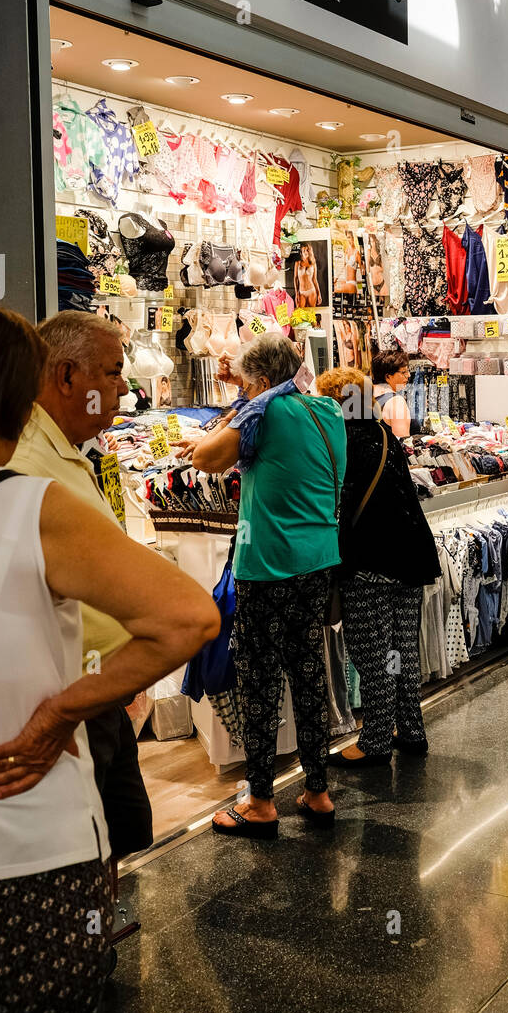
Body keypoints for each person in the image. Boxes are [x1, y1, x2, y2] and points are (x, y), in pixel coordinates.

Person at [0, 295, 219, 1013]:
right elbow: (189, 616)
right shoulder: (27, 506)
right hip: (23, 862)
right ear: (26, 390)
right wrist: (61, 712)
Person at [9, 312, 155, 869]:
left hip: (95, 693)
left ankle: (100, 933)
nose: (123, 387)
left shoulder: (65, 450)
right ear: (67, 376)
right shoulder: (27, 464)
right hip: (68, 699)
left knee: (113, 835)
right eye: (113, 373)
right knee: (88, 847)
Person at [192, 334, 347, 837]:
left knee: (259, 679)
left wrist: (242, 401)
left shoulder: (264, 413)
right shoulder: (327, 412)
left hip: (269, 563)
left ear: (260, 383)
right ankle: (317, 791)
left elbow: (204, 458)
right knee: (307, 671)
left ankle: (260, 801)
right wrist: (244, 389)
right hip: (318, 561)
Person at [316, 370, 440, 767]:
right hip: (409, 557)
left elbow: (339, 505)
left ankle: (374, 741)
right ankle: (411, 729)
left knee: (371, 653)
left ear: (337, 402)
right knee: (400, 650)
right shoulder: (385, 435)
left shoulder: (342, 442)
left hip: (369, 560)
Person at [372, 349, 411, 438]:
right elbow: (402, 443)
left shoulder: (366, 395)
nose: (408, 375)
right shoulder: (396, 402)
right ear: (388, 376)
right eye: (404, 372)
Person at [295, 242, 322, 308]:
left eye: (307, 250)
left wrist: (319, 294)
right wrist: (296, 293)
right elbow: (295, 279)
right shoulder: (298, 263)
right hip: (301, 292)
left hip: (312, 291)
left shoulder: (313, 263)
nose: (306, 252)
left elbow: (315, 279)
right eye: (304, 250)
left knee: (312, 314)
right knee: (300, 314)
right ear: (301, 252)